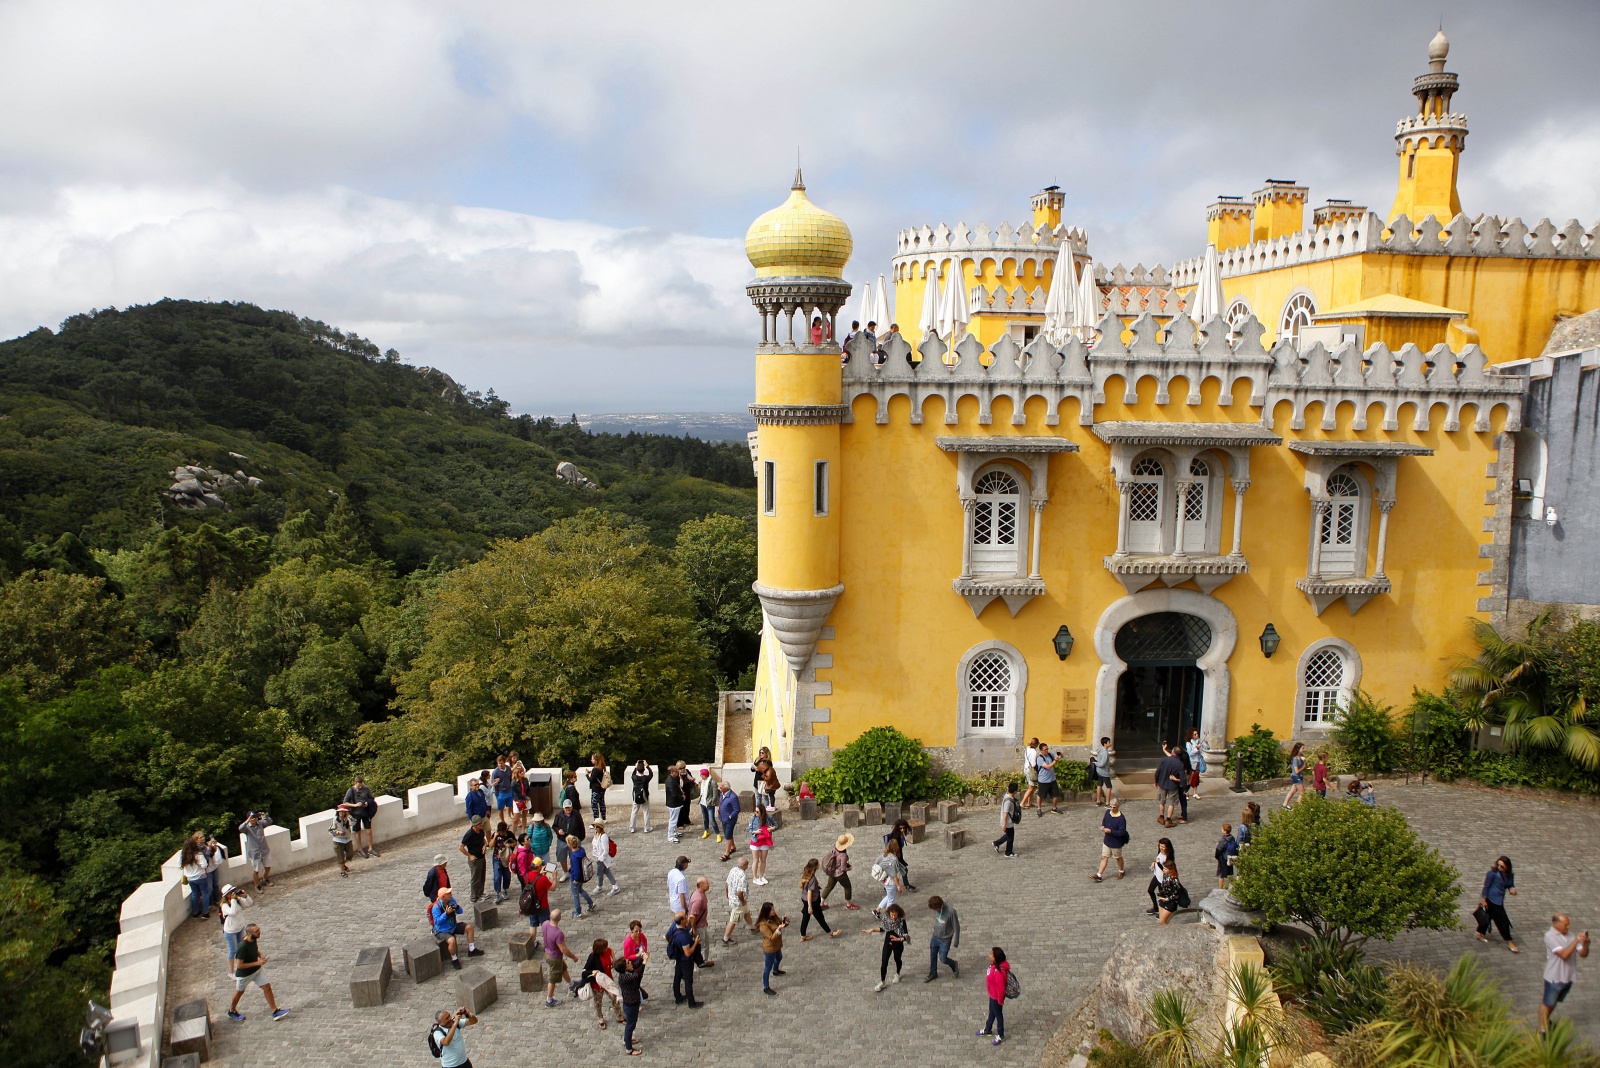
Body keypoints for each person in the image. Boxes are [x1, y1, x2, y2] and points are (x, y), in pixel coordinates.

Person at [226, 923, 289, 1022]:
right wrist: (257, 962)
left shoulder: (254, 939)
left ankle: (275, 1011)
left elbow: (255, 949)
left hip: (256, 971)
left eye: (259, 929)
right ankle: (232, 1010)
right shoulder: (242, 946)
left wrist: (260, 954)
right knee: (239, 992)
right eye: (257, 931)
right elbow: (240, 965)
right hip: (245, 975)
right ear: (250, 933)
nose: (259, 932)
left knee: (267, 987)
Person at [1541, 914, 1589, 1034]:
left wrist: (1585, 945)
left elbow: (1582, 954)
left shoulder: (1571, 935)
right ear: (1556, 924)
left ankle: (1546, 1021)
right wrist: (1576, 941)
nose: (1569, 927)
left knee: (1554, 1002)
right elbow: (1564, 955)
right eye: (1566, 924)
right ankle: (1542, 1029)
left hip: (1568, 977)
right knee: (1547, 1003)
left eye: (1569, 924)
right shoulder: (1550, 936)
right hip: (1554, 977)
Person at [1475, 855, 1518, 952]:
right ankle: (1509, 941)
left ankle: (1479, 933)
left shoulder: (1509, 875)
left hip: (1499, 900)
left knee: (1488, 916)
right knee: (1503, 921)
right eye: (1498, 865)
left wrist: (1512, 890)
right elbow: (1486, 887)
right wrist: (1484, 899)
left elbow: (1510, 885)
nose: (1499, 868)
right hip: (1492, 900)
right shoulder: (1492, 874)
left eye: (1502, 866)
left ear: (1507, 867)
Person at [430, 887, 480, 969]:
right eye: (448, 894)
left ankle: (472, 949)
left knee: (469, 928)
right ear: (443, 897)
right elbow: (438, 922)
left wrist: (457, 907)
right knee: (452, 941)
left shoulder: (451, 900)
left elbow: (460, 911)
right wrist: (446, 914)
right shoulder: (436, 907)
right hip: (442, 930)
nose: (451, 894)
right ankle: (454, 959)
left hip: (453, 926)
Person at [863, 903, 908, 992]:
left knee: (897, 959)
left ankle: (898, 973)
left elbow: (906, 936)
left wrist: (898, 939)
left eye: (895, 915)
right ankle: (882, 981)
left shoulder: (902, 921)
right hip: (888, 943)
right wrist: (872, 930)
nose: (893, 917)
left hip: (898, 944)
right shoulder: (886, 918)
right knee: (884, 962)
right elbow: (883, 928)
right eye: (892, 915)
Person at [581, 937, 624, 1029]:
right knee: (598, 1002)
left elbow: (611, 951)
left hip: (608, 981)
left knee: (615, 997)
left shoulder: (607, 950)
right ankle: (600, 1018)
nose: (607, 948)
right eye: (605, 947)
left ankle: (619, 1015)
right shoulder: (592, 957)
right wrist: (593, 972)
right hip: (598, 984)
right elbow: (584, 972)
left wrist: (614, 960)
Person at [541, 909, 578, 1008]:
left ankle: (571, 984)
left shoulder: (545, 924)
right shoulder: (558, 933)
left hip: (547, 953)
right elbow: (564, 950)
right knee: (553, 979)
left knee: (563, 968)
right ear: (560, 918)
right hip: (555, 957)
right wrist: (573, 957)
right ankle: (549, 1000)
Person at [667, 911, 703, 1007]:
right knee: (688, 981)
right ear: (682, 921)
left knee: (677, 977)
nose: (687, 917)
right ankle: (691, 1002)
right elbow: (688, 953)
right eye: (685, 917)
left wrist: (691, 922)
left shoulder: (676, 929)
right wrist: (695, 942)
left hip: (679, 958)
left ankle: (678, 998)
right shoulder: (683, 937)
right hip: (686, 961)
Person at [799, 859, 839, 941]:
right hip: (813, 901)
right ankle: (830, 932)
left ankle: (803, 935)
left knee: (806, 917)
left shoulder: (806, 874)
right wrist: (810, 906)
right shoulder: (812, 879)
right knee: (819, 917)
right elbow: (810, 893)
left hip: (804, 898)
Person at [978, 947, 1010, 1046]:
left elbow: (1001, 989)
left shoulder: (999, 972)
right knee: (992, 1012)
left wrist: (1000, 1000)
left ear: (996, 958)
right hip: (992, 995)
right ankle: (988, 1029)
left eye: (991, 954)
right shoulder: (994, 966)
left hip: (996, 997)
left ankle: (1001, 1034)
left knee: (998, 1015)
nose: (989, 955)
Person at [756, 901, 790, 994]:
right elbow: (771, 938)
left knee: (779, 957)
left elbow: (781, 923)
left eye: (773, 909)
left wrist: (785, 921)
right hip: (770, 948)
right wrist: (778, 929)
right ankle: (766, 987)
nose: (774, 911)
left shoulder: (774, 917)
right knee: (768, 967)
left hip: (777, 945)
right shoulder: (763, 925)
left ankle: (776, 971)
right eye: (772, 910)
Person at [342, 775, 379, 858]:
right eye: (359, 785)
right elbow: (345, 802)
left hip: (365, 812)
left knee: (368, 830)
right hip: (355, 813)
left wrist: (367, 803)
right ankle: (360, 849)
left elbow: (371, 798)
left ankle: (370, 848)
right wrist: (354, 805)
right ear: (355, 783)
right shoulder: (351, 790)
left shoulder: (366, 788)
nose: (360, 787)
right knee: (357, 831)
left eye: (361, 785)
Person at [926, 895, 960, 981]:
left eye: (935, 909)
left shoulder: (951, 912)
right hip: (935, 936)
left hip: (945, 939)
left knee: (943, 958)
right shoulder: (936, 907)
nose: (935, 911)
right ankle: (933, 972)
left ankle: (954, 965)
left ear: (940, 906)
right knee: (933, 955)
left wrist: (956, 940)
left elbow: (957, 926)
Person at [1095, 798, 1129, 881]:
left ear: (1117, 807)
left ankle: (1121, 871)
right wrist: (1103, 827)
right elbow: (1104, 822)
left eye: (1114, 807)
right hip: (1107, 840)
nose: (1112, 809)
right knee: (1104, 857)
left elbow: (1121, 832)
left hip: (1116, 842)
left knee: (1118, 857)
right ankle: (1099, 875)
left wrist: (1111, 831)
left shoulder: (1121, 819)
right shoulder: (1107, 813)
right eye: (1111, 807)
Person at [617, 954, 644, 1055]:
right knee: (630, 1025)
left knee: (631, 1023)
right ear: (625, 967)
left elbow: (636, 965)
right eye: (628, 963)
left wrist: (642, 957)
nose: (630, 963)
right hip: (631, 1004)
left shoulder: (626, 972)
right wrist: (644, 962)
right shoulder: (625, 977)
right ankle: (629, 1048)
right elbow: (637, 975)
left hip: (632, 1003)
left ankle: (626, 1040)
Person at [239, 811, 274, 890]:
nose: (253, 819)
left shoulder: (260, 823)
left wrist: (264, 815)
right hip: (255, 852)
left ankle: (264, 878)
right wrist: (247, 821)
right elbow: (240, 828)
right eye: (252, 818)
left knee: (268, 866)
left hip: (264, 849)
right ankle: (256, 885)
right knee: (256, 870)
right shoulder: (247, 828)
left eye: (254, 817)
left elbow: (269, 821)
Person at [822, 832, 858, 909]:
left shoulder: (834, 847)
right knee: (847, 886)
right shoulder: (843, 855)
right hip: (840, 874)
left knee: (829, 887)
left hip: (832, 871)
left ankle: (821, 903)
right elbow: (843, 868)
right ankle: (849, 904)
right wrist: (849, 868)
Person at [553, 799, 584, 882]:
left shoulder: (576, 814)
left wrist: (580, 838)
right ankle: (565, 872)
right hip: (562, 840)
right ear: (563, 808)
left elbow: (581, 826)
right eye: (566, 808)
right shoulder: (559, 815)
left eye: (569, 808)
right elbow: (554, 826)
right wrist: (558, 831)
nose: (568, 810)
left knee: (574, 856)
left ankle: (574, 871)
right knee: (561, 856)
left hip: (573, 839)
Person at [219, 884, 253, 959]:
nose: (233, 893)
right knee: (233, 951)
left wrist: (245, 896)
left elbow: (250, 903)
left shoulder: (237, 900)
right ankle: (231, 970)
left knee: (240, 947)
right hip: (230, 930)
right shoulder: (224, 905)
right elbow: (233, 912)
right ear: (226, 895)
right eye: (230, 892)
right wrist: (233, 900)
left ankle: (240, 963)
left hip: (239, 927)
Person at [725, 856, 755, 943]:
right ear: (744, 866)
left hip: (733, 898)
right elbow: (739, 892)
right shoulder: (742, 876)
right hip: (738, 902)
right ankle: (725, 939)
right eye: (747, 864)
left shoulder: (733, 869)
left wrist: (727, 892)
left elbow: (727, 883)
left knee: (746, 912)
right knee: (733, 920)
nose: (748, 866)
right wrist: (742, 901)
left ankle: (753, 927)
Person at [182, 836, 212, 919]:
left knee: (195, 894)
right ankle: (205, 912)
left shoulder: (183, 856)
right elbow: (205, 865)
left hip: (190, 878)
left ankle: (195, 912)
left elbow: (180, 864)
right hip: (200, 876)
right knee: (204, 893)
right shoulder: (198, 854)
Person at [1156, 744, 1186, 827]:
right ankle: (1168, 820)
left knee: (1162, 801)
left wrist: (1156, 781)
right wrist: (1185, 789)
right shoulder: (1180, 764)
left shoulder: (1165, 760)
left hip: (1162, 783)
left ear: (1172, 751)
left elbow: (1158, 771)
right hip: (1173, 785)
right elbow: (1183, 778)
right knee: (1172, 803)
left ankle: (1161, 817)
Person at [688, 876, 716, 965]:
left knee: (705, 942)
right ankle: (702, 961)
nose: (709, 885)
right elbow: (693, 916)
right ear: (701, 885)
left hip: (702, 923)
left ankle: (703, 959)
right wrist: (695, 930)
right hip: (699, 927)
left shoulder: (699, 893)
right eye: (707, 884)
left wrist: (704, 919)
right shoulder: (698, 899)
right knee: (702, 944)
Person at [459, 815, 487, 902]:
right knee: (475, 879)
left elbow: (484, 840)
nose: (482, 824)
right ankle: (474, 897)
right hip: (475, 860)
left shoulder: (481, 831)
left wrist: (484, 846)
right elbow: (461, 847)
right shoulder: (469, 834)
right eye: (480, 823)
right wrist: (469, 855)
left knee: (482, 876)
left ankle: (480, 893)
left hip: (481, 857)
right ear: (475, 825)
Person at [874, 839, 906, 914]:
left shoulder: (883, 855)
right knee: (891, 900)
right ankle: (889, 915)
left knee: (889, 896)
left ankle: (877, 910)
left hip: (883, 880)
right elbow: (894, 875)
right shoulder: (894, 859)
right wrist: (898, 886)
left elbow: (876, 863)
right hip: (890, 882)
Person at [567, 835, 596, 917]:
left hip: (576, 878)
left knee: (575, 895)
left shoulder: (574, 857)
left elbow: (576, 869)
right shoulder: (581, 850)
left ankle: (578, 912)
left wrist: (575, 879)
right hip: (583, 876)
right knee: (581, 890)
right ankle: (591, 903)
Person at [885, 818, 917, 891]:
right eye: (901, 828)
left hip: (898, 857)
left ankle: (886, 885)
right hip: (896, 857)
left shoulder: (900, 834)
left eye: (904, 828)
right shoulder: (896, 837)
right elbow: (893, 849)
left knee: (893, 871)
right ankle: (907, 885)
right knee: (904, 870)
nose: (902, 830)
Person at [1146, 837, 1175, 916]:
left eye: (1163, 847)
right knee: (1150, 890)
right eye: (1160, 846)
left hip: (1163, 879)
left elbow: (1166, 869)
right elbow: (1158, 859)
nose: (1161, 848)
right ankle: (1156, 907)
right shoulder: (1160, 852)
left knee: (1162, 896)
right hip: (1157, 876)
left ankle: (1163, 912)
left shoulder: (1168, 857)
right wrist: (1154, 862)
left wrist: (1158, 864)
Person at [521, 856, 552, 928]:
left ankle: (532, 939)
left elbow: (534, 879)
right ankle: (547, 939)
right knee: (546, 925)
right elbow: (553, 888)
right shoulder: (543, 878)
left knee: (533, 925)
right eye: (541, 865)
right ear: (538, 867)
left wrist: (540, 873)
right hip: (543, 905)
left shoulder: (527, 876)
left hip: (531, 903)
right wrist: (554, 877)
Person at [992, 781, 1020, 857]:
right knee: (1010, 836)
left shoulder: (1007, 796)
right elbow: (1006, 812)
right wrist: (1004, 824)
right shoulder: (1009, 801)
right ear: (1015, 791)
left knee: (1009, 835)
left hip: (1007, 821)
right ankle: (1008, 852)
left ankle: (997, 843)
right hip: (1008, 821)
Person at [592, 820, 619, 896]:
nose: (595, 828)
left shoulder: (603, 836)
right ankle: (615, 886)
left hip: (601, 859)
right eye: (594, 826)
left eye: (597, 826)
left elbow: (606, 850)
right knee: (607, 871)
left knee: (599, 873)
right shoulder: (596, 834)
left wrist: (601, 858)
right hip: (598, 857)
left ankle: (599, 887)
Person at [749, 805, 774, 885]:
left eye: (757, 812)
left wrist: (772, 828)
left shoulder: (768, 817)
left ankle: (761, 876)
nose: (755, 813)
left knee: (763, 860)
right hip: (756, 840)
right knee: (756, 860)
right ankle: (755, 877)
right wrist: (756, 832)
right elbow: (749, 829)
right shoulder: (753, 818)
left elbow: (775, 825)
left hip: (765, 840)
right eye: (755, 811)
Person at [491, 820, 515, 903]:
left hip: (507, 858)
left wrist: (510, 845)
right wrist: (494, 837)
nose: (501, 834)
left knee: (507, 875)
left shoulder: (510, 834)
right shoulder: (496, 835)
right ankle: (497, 893)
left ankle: (505, 890)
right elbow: (490, 846)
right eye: (499, 832)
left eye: (502, 832)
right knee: (497, 876)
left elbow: (515, 843)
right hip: (497, 858)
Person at [716, 781, 741, 859]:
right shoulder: (722, 794)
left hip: (730, 820)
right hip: (723, 818)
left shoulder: (733, 797)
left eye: (721, 787)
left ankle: (727, 853)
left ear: (726, 788)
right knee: (727, 833)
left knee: (728, 835)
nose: (719, 788)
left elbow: (737, 809)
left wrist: (730, 816)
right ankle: (733, 847)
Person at [329, 805, 355, 878]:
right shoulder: (335, 819)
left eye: (343, 812)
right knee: (340, 856)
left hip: (347, 839)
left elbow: (354, 822)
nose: (341, 813)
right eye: (340, 812)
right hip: (338, 840)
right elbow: (330, 830)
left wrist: (349, 816)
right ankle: (342, 871)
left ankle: (343, 864)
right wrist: (338, 832)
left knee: (350, 854)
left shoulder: (347, 819)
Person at [1036, 744, 1062, 816]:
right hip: (1043, 780)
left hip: (1052, 779)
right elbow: (1048, 767)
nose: (1047, 751)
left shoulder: (1050, 755)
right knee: (1041, 795)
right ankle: (1039, 808)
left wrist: (1059, 756)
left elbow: (1058, 757)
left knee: (1056, 794)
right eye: (1045, 750)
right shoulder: (1040, 758)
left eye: (1047, 749)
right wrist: (1055, 761)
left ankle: (1054, 808)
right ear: (1041, 750)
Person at [629, 760, 654, 834]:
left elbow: (633, 774)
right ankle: (647, 828)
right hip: (645, 796)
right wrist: (647, 765)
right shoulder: (646, 778)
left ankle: (632, 828)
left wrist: (635, 767)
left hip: (636, 797)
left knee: (634, 812)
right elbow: (651, 774)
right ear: (644, 770)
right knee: (646, 812)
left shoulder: (634, 778)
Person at [663, 767, 686, 844]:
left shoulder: (673, 779)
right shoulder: (670, 781)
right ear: (671, 772)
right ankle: (670, 836)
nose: (677, 772)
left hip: (675, 803)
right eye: (676, 771)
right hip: (673, 803)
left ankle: (674, 832)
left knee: (674, 819)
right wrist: (682, 796)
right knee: (673, 820)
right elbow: (674, 794)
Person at [1092, 736, 1115, 806]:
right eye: (1109, 742)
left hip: (1099, 771)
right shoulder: (1105, 752)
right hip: (1104, 772)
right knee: (1109, 787)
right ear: (1105, 744)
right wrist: (1095, 763)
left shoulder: (1100, 750)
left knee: (1099, 785)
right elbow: (1102, 763)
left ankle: (1098, 801)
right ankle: (1107, 802)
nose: (1110, 743)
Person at [1283, 742, 1307, 808]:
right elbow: (1296, 771)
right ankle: (1298, 806)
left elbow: (1305, 766)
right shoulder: (1295, 759)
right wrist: (1303, 767)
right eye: (1302, 748)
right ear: (1298, 749)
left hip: (1300, 776)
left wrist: (1305, 761)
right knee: (1302, 792)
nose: (1304, 749)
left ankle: (1284, 804)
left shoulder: (1301, 757)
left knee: (1293, 791)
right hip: (1296, 777)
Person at [588, 752, 610, 821]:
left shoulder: (595, 769)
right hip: (602, 788)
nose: (591, 760)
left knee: (594, 804)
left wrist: (586, 775)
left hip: (596, 789)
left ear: (596, 760)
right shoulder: (603, 768)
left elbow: (591, 780)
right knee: (602, 803)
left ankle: (596, 820)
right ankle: (604, 818)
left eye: (592, 759)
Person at [492, 755, 514, 823]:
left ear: (504, 762)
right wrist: (495, 784)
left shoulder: (508, 769)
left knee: (510, 806)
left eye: (501, 763)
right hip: (501, 792)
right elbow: (493, 783)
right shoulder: (495, 772)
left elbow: (511, 778)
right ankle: (503, 821)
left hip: (509, 791)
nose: (500, 765)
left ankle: (511, 817)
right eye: (499, 763)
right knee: (500, 808)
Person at [1185, 729, 1206, 799]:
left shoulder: (1199, 741)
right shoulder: (1189, 743)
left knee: (1196, 777)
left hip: (1198, 762)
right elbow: (1190, 753)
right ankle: (1186, 792)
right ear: (1191, 735)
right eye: (1195, 734)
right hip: (1192, 762)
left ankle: (1195, 793)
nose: (1197, 735)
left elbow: (1207, 748)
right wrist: (1196, 748)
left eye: (1197, 734)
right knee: (1190, 777)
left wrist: (1206, 743)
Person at [1020, 738, 1040, 812]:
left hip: (1026, 768)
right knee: (1031, 787)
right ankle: (1022, 803)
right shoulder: (1034, 752)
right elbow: (1034, 764)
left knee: (1031, 786)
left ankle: (1029, 802)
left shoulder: (1028, 748)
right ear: (1036, 744)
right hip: (1030, 770)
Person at [697, 768, 717, 838]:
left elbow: (715, 794)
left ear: (705, 775)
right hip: (703, 803)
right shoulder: (702, 782)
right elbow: (702, 792)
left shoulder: (712, 782)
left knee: (712, 819)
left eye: (701, 774)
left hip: (709, 803)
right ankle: (706, 830)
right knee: (705, 818)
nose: (700, 776)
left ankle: (717, 833)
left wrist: (712, 802)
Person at [510, 765, 529, 833]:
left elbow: (528, 790)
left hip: (526, 800)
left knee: (524, 816)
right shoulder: (514, 783)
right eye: (520, 772)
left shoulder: (525, 780)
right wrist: (524, 797)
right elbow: (516, 794)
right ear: (517, 773)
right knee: (516, 819)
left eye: (522, 771)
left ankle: (523, 830)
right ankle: (513, 833)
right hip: (518, 801)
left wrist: (527, 796)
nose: (522, 773)